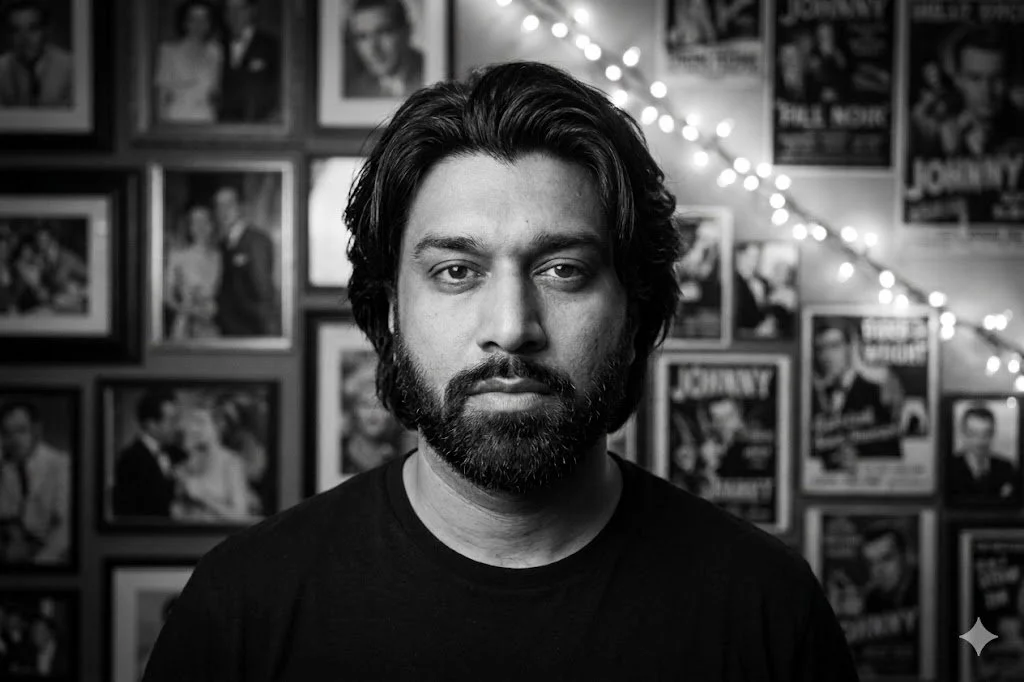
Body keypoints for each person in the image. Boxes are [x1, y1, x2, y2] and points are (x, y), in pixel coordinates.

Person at [143, 61, 857, 681]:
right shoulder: (242, 608)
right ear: (390, 310)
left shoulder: (767, 610)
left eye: (564, 270)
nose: (512, 326)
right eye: (457, 271)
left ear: (634, 310)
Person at [811, 318, 904, 470]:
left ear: (850, 348)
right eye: (821, 349)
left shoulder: (876, 393)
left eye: (834, 346)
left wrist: (860, 459)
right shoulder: (816, 397)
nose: (826, 356)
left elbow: (892, 452)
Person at [927, 27, 1024, 157]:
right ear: (958, 79)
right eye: (975, 78)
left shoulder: (1019, 127)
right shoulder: (935, 131)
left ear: (1008, 80)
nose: (987, 91)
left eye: (996, 78)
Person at [0, 401, 70, 565]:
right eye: (6, 433)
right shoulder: (5, 466)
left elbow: (65, 529)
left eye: (21, 431)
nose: (14, 440)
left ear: (36, 430)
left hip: (47, 559)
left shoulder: (60, 464)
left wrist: (37, 565)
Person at [212, 185, 277, 337]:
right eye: (219, 206)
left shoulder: (257, 240)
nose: (224, 211)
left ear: (240, 207)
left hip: (252, 329)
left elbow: (263, 289)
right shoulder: (222, 244)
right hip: (228, 329)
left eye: (229, 204)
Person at [111, 390, 186, 519]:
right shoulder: (129, 460)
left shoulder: (177, 453)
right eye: (171, 421)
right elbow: (127, 512)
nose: (177, 427)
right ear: (151, 424)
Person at [172, 407, 252, 522]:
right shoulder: (186, 464)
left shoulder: (230, 462)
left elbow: (240, 515)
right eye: (192, 423)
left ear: (217, 426)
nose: (194, 429)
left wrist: (203, 496)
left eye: (200, 422)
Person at [154, 0, 223, 123]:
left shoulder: (215, 52)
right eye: (193, 19)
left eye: (204, 19)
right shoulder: (169, 51)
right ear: (185, 22)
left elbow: (215, 92)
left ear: (209, 23)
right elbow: (162, 96)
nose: (199, 24)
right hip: (176, 119)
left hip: (206, 119)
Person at [164, 203, 222, 340]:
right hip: (186, 327)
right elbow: (167, 297)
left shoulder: (218, 256)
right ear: (190, 227)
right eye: (195, 222)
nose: (200, 226)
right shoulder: (178, 256)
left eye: (204, 221)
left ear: (211, 225)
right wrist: (191, 311)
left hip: (212, 327)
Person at [344, 0, 424, 98]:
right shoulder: (355, 89)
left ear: (407, 31)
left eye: (383, 32)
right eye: (362, 36)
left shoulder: (430, 75)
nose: (373, 49)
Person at [0, 0, 72, 107]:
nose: (24, 39)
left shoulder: (70, 68)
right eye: (16, 30)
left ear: (46, 30)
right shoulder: (2, 69)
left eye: (32, 29)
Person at [218, 0, 280, 123]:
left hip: (260, 126)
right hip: (223, 127)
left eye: (240, 8)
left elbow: (280, 84)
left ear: (252, 11)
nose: (234, 14)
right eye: (229, 9)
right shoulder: (216, 46)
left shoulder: (271, 45)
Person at [948, 405, 1019, 504]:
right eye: (973, 434)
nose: (980, 441)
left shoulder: (1006, 468)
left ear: (993, 434)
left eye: (986, 434)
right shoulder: (949, 468)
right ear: (963, 434)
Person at [861, 525, 917, 613]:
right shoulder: (872, 599)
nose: (878, 571)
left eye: (886, 558)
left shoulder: (927, 591)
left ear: (906, 557)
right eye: (871, 563)